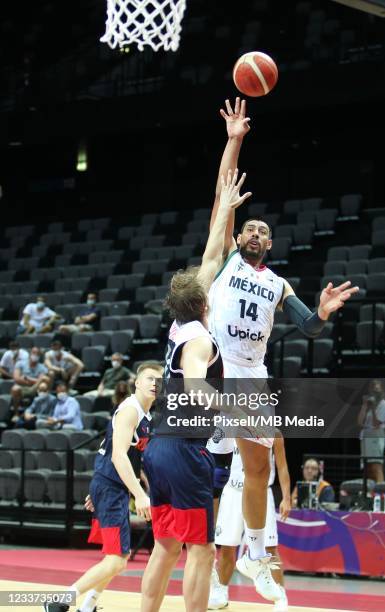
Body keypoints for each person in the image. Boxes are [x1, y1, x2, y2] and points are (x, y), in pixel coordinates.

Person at [206, 97, 359, 602]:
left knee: (258, 469)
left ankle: (250, 554)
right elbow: (223, 196)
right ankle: (231, 559)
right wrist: (235, 140)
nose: (254, 232)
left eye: (263, 231)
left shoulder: (278, 285)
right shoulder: (226, 257)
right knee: (238, 468)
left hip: (254, 374)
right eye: (250, 227)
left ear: (269, 245)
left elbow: (309, 329)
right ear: (240, 235)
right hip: (217, 366)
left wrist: (323, 312)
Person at [140, 170, 251, 612]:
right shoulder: (200, 339)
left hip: (159, 447)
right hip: (185, 451)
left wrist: (225, 207)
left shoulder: (178, 325)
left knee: (166, 546)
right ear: (206, 304)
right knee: (201, 549)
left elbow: (210, 254)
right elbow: (193, 382)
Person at [43, 362, 163, 612]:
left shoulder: (146, 415)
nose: (155, 384)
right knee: (117, 559)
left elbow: (122, 454)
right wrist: (140, 495)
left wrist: (104, 486)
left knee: (118, 557)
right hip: (110, 487)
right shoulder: (130, 410)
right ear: (137, 382)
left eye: (159, 380)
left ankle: (88, 607)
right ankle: (60, 603)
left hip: (108, 487)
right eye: (150, 378)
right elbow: (118, 456)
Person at [209, 432, 291, 611]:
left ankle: (280, 595)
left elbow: (282, 466)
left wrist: (286, 497)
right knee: (226, 547)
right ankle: (220, 592)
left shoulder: (273, 432)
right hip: (232, 490)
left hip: (261, 493)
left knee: (269, 548)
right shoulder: (229, 427)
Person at [358, 379, 385, 483]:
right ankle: (368, 492)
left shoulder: (384, 405)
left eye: (377, 388)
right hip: (366, 436)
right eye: (373, 388)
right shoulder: (368, 405)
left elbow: (376, 424)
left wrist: (372, 408)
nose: (375, 391)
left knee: (376, 465)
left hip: (376, 436)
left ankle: (380, 492)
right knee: (367, 467)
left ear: (382, 390)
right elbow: (359, 422)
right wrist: (364, 406)